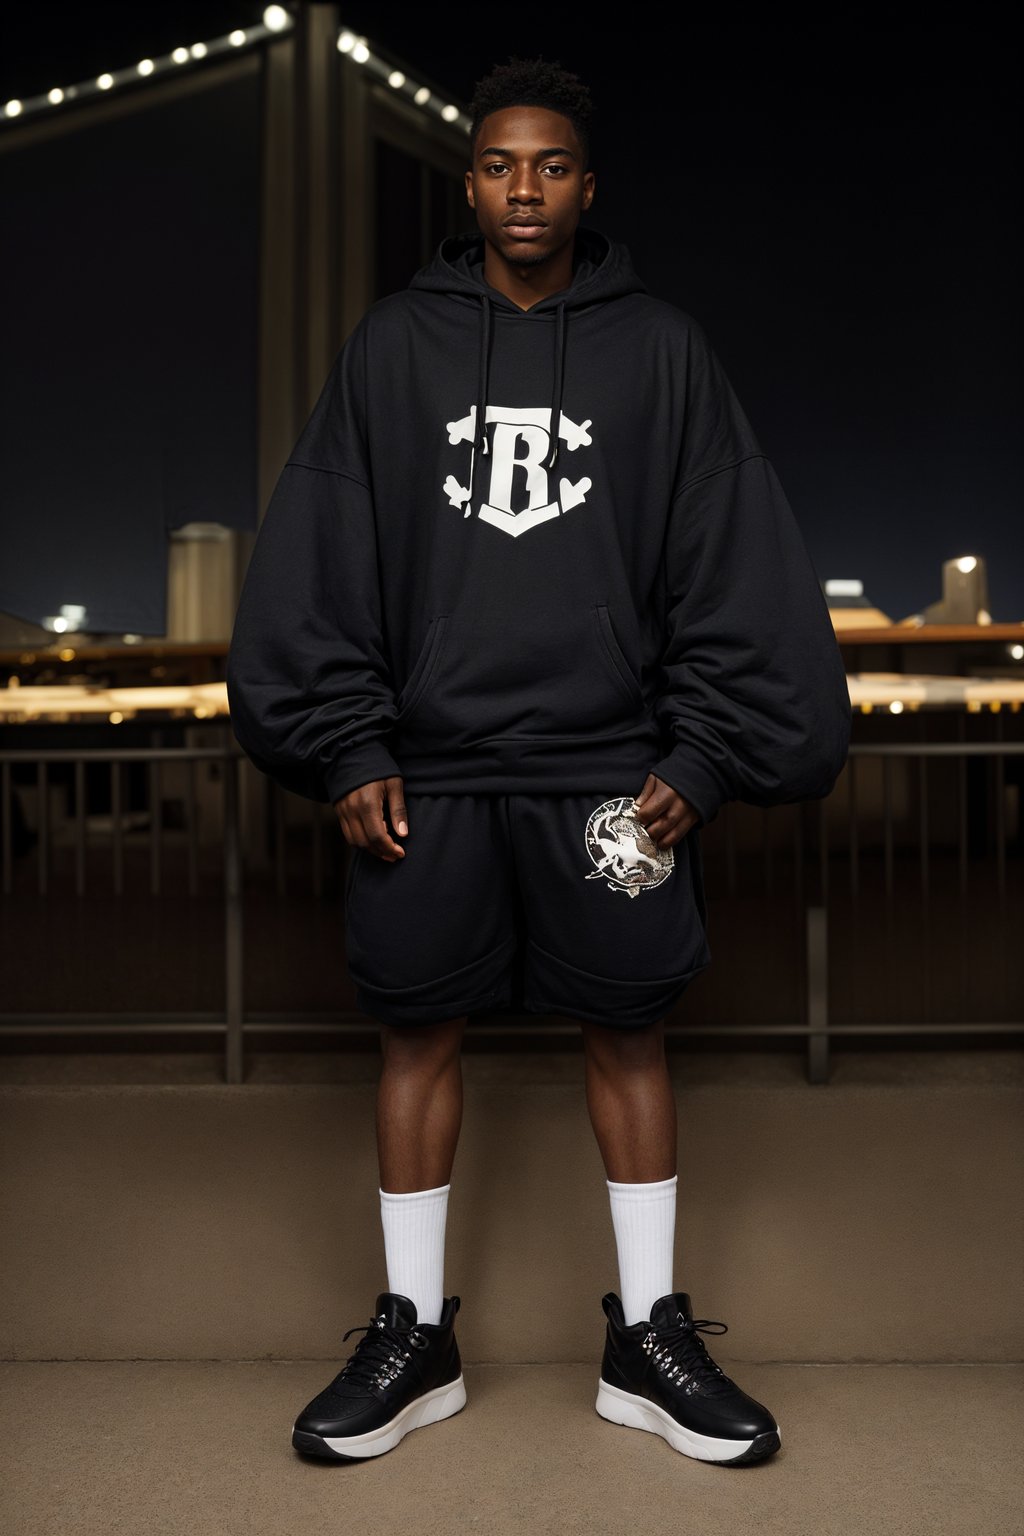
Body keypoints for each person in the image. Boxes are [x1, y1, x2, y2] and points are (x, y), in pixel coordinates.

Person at [226, 55, 851, 1468]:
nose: (525, 187)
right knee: (415, 1036)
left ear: (586, 186)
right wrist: (350, 742)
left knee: (629, 1032)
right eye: (500, 164)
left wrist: (702, 749)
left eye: (551, 165)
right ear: (468, 183)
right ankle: (413, 1338)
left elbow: (725, 561)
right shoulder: (392, 347)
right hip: (431, 774)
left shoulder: (663, 349)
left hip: (606, 778)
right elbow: (326, 558)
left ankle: (647, 1339)